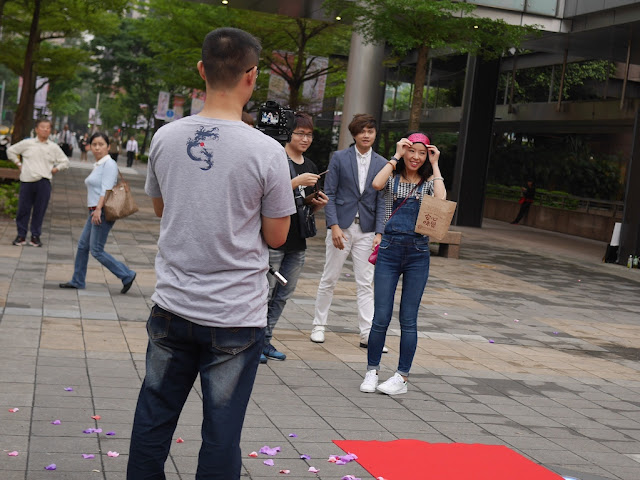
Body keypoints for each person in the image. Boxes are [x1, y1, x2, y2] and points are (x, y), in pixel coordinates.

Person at [126, 27, 294, 480]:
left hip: (172, 305)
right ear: (252, 76)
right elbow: (277, 237)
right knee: (222, 432)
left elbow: (164, 209)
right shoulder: (266, 151)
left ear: (201, 70)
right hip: (235, 314)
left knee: (153, 418)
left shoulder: (165, 137)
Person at [359, 132, 446, 396]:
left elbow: (441, 201)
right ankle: (372, 371)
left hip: (418, 253)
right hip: (389, 250)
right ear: (405, 152)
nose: (416, 157)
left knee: (409, 319)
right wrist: (395, 155)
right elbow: (375, 183)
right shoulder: (392, 181)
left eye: (422, 153)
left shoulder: (429, 183)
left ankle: (401, 377)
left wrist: (436, 164)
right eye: (412, 152)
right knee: (381, 316)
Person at [310, 113, 388, 350]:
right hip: (341, 227)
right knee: (329, 277)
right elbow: (329, 193)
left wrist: (379, 232)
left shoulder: (383, 163)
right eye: (362, 131)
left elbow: (383, 200)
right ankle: (318, 326)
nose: (366, 135)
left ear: (375, 134)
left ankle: (367, 334)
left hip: (367, 229)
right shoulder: (339, 158)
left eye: (370, 131)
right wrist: (333, 226)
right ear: (354, 134)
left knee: (366, 282)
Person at [262, 112, 329, 363]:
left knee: (283, 293)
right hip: (274, 237)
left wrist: (316, 205)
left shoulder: (310, 166)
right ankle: (253, 342)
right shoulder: (275, 158)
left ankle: (266, 339)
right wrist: (295, 182)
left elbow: (303, 205)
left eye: (309, 134)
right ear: (288, 133)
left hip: (297, 239)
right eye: (300, 133)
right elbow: (266, 194)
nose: (305, 139)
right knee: (264, 292)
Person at [58, 132, 137, 293]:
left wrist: (99, 209)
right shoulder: (100, 164)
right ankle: (78, 280)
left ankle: (126, 274)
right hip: (94, 211)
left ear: (108, 147)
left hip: (101, 211)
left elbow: (106, 189)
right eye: (94, 144)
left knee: (96, 250)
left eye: (101, 144)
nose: (97, 147)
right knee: (82, 246)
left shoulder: (109, 164)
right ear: (89, 147)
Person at [7, 118, 69, 247]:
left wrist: (56, 168)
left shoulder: (53, 147)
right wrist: (19, 164)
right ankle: (21, 235)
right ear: (36, 129)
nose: (45, 130)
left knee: (39, 210)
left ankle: (35, 236)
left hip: (44, 182)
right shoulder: (28, 143)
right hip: (27, 180)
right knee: (23, 209)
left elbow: (65, 161)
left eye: (48, 127)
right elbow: (10, 151)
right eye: (43, 127)